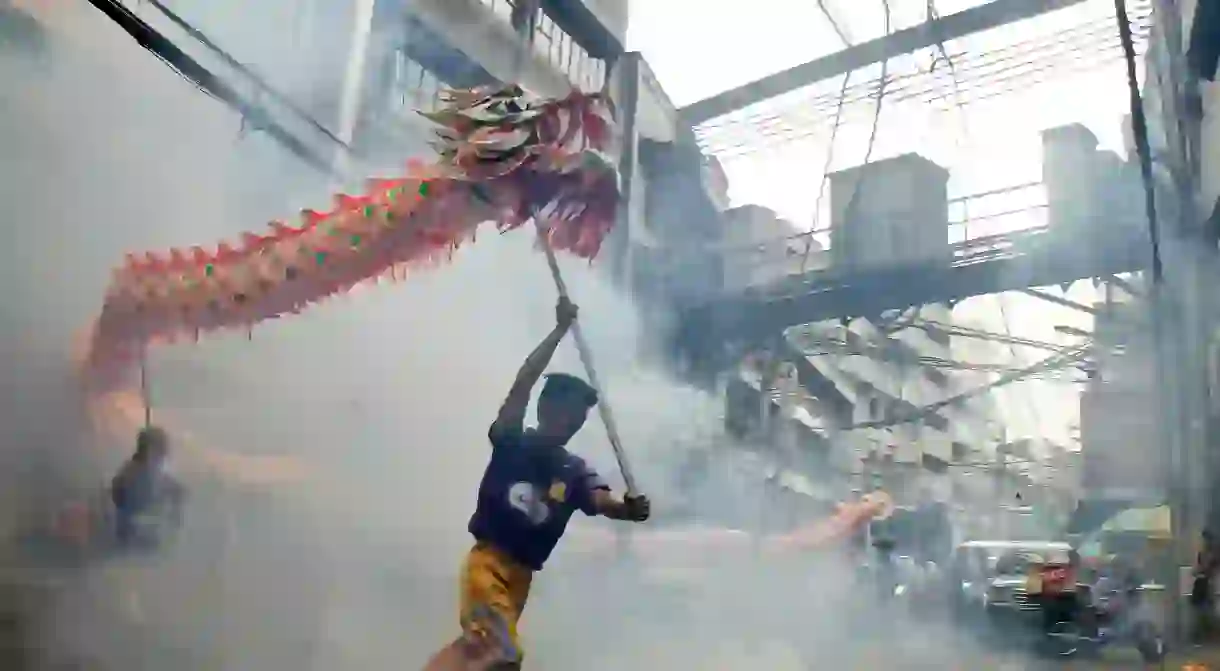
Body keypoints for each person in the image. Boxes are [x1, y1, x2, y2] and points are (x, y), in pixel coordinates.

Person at [424, 297, 651, 671]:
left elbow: (602, 500)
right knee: (503, 655)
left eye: (581, 416)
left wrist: (629, 510)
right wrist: (559, 330)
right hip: (488, 565)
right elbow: (523, 383)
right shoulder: (511, 439)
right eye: (569, 411)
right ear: (545, 408)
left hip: (521, 580)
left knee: (476, 650)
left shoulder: (573, 470)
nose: (575, 420)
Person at [110, 425, 184, 547]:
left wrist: (175, 512)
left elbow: (175, 491)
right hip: (131, 542)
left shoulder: (155, 473)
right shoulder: (130, 473)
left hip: (150, 540)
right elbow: (120, 500)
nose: (161, 456)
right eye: (159, 450)